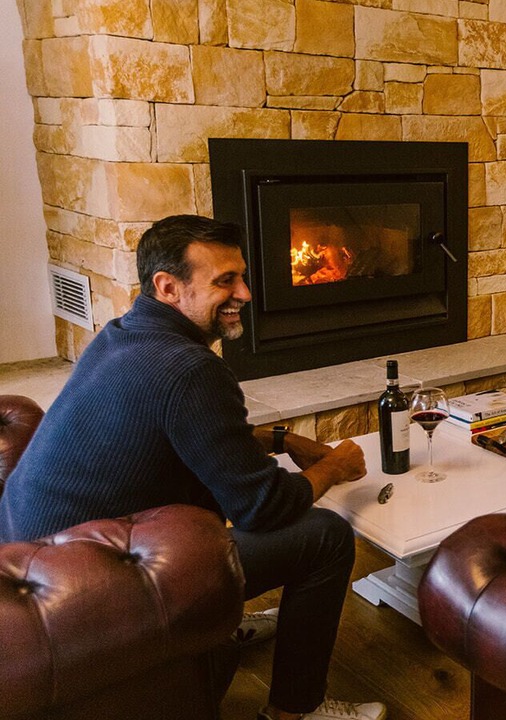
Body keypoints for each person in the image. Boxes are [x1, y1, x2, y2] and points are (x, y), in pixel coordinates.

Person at [0, 215, 384, 720]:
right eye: (225, 280)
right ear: (168, 287)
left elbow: (183, 434)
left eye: (242, 276)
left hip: (29, 559)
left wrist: (282, 439)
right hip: (81, 596)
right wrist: (334, 467)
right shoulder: (191, 368)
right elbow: (262, 507)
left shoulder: (122, 335)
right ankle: (296, 710)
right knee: (326, 535)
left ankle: (220, 621)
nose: (245, 293)